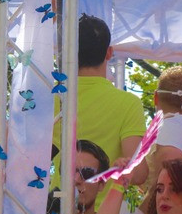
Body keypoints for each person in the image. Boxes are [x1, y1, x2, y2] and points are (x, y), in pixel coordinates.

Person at [59, 14, 147, 178]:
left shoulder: (54, 98)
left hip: (56, 201)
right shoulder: (128, 103)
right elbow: (138, 174)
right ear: (109, 52)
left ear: (69, 52)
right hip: (105, 203)